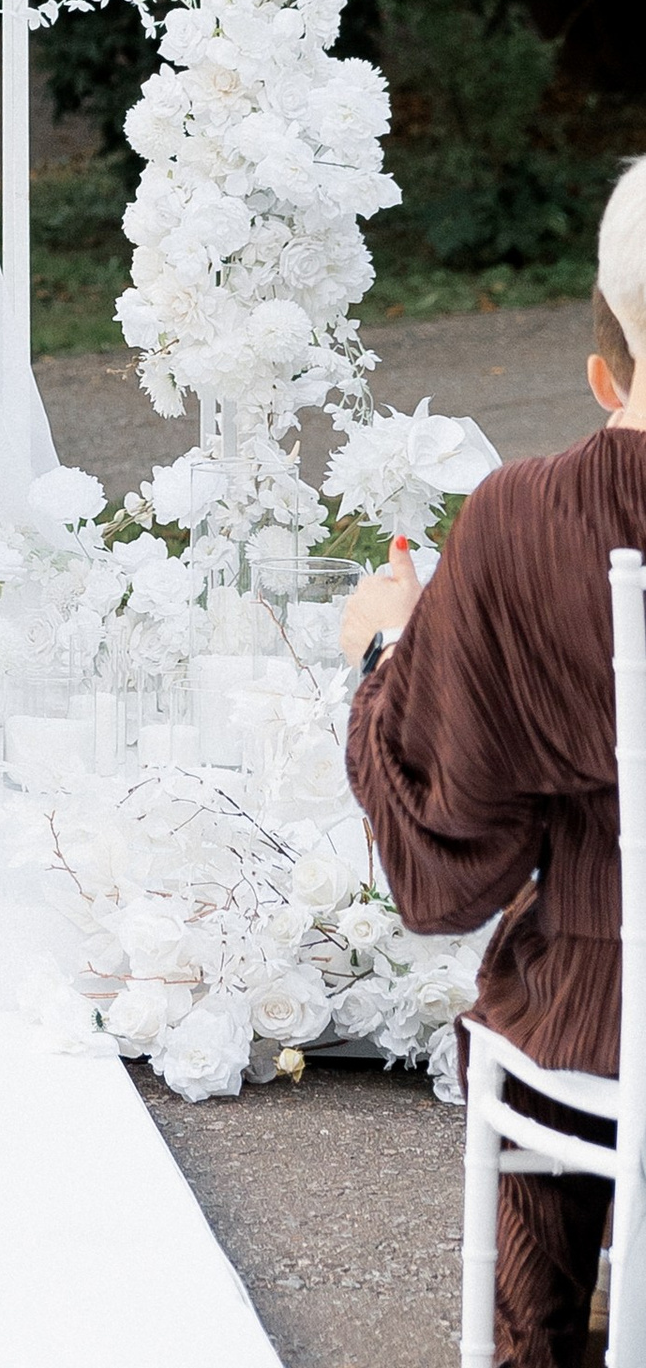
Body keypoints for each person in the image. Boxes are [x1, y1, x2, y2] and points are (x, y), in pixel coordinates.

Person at [341, 156, 646, 1368]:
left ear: (602, 362)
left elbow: (444, 871)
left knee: (566, 980)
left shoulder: (527, 522)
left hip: (611, 1012)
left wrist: (382, 652)